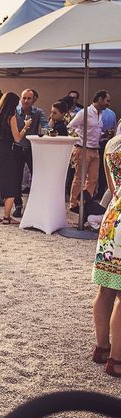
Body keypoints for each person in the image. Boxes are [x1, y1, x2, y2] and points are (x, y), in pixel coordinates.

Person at [91, 135, 121, 376]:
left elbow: (111, 187)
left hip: (112, 218)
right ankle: (117, 360)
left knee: (105, 288)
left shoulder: (112, 144)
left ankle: (102, 347)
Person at [0, 92, 33, 224]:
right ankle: (6, 217)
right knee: (9, 184)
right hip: (7, 151)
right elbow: (17, 138)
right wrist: (25, 126)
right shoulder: (11, 117)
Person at [68, 90, 110, 212]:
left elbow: (94, 130)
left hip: (95, 149)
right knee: (79, 178)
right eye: (107, 100)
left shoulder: (100, 113)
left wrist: (103, 134)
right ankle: (74, 204)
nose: (108, 104)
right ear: (100, 99)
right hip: (83, 149)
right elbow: (70, 126)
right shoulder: (84, 112)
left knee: (93, 179)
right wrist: (78, 139)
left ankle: (86, 202)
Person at [11, 88, 49, 218]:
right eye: (24, 98)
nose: (25, 101)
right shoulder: (15, 112)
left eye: (28, 98)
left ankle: (36, 204)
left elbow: (46, 126)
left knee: (37, 176)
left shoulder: (38, 112)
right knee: (16, 177)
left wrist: (44, 132)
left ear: (34, 100)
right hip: (16, 147)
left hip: (32, 148)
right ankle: (18, 205)